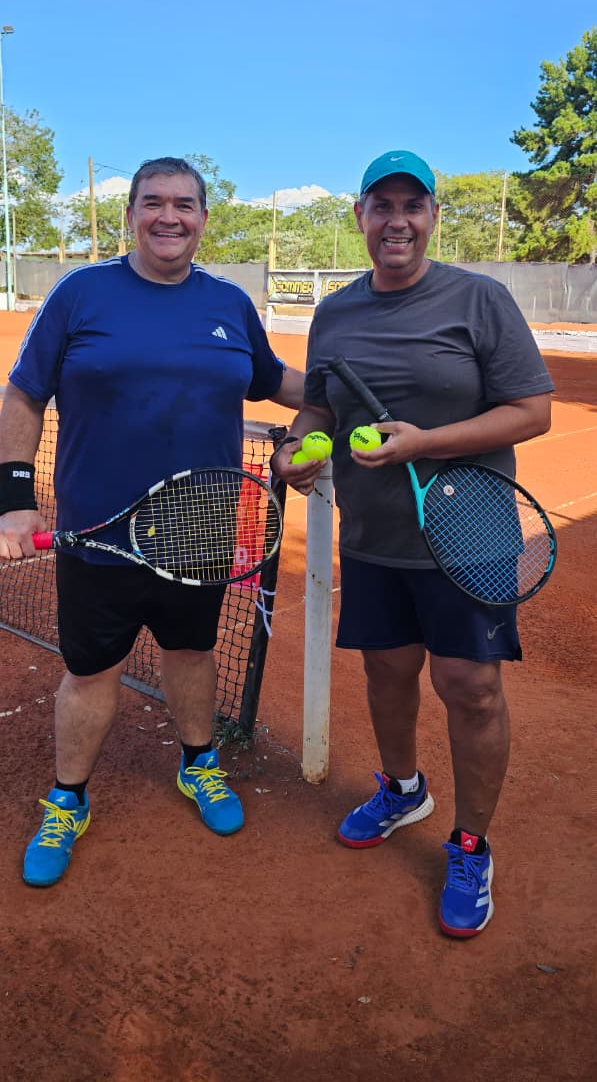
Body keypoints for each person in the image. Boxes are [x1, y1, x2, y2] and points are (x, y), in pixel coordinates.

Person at [0, 156, 305, 888]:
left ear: (204, 216)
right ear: (132, 213)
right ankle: (68, 799)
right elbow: (22, 395)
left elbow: (274, 380)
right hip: (100, 530)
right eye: (153, 202)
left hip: (198, 529)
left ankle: (198, 762)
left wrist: (353, 391)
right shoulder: (81, 293)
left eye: (185, 204)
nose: (169, 216)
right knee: (90, 670)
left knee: (192, 652)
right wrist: (13, 495)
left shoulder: (228, 304)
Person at [271, 149, 554, 939]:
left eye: (412, 206)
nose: (397, 220)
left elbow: (530, 411)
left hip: (470, 533)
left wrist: (425, 443)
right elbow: (320, 409)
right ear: (359, 217)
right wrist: (296, 450)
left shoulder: (478, 299)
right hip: (375, 538)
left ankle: (468, 843)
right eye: (380, 206)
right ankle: (402, 790)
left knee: (470, 688)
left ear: (431, 217)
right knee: (388, 676)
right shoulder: (335, 313)